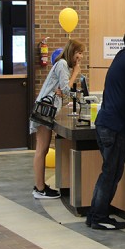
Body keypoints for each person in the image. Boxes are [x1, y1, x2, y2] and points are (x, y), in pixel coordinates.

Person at [87, 26, 125, 230]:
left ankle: (95, 215)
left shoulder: (120, 56)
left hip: (105, 123)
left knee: (108, 172)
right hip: (116, 126)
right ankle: (99, 217)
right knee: (111, 173)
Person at [30, 39, 85, 199]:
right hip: (44, 111)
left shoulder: (62, 65)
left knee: (44, 149)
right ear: (72, 52)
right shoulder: (62, 64)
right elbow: (66, 90)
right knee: (42, 149)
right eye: (79, 53)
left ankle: (40, 186)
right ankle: (39, 188)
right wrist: (75, 73)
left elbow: (62, 90)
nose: (80, 57)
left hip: (48, 110)